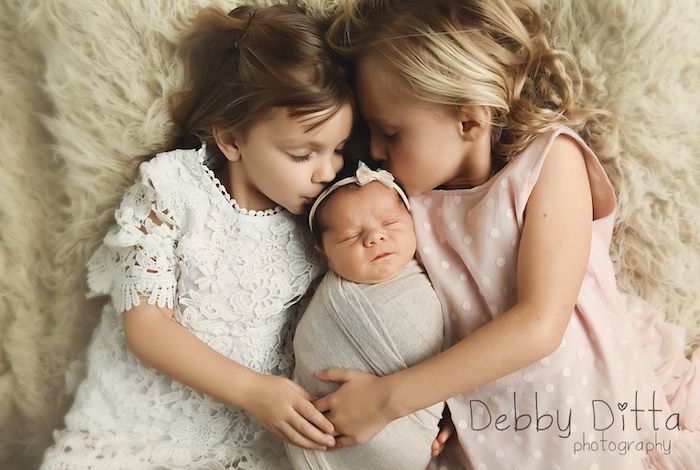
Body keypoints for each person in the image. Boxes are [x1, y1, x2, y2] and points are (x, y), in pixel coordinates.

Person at [313, 1, 700, 468]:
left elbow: (540, 323)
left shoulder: (547, 163)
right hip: (487, 428)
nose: (374, 150)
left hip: (589, 415)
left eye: (390, 133)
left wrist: (390, 399)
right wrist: (437, 406)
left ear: (469, 120)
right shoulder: (405, 209)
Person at [40, 4, 354, 469]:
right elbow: (146, 328)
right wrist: (251, 390)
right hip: (139, 422)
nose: (326, 172)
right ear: (232, 139)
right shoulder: (173, 191)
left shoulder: (325, 214)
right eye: (303, 154)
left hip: (250, 433)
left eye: (340, 150)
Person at [285, 162, 445, 469]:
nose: (374, 238)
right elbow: (312, 348)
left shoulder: (436, 274)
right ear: (324, 255)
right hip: (333, 430)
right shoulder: (334, 301)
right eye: (350, 236)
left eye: (390, 224)